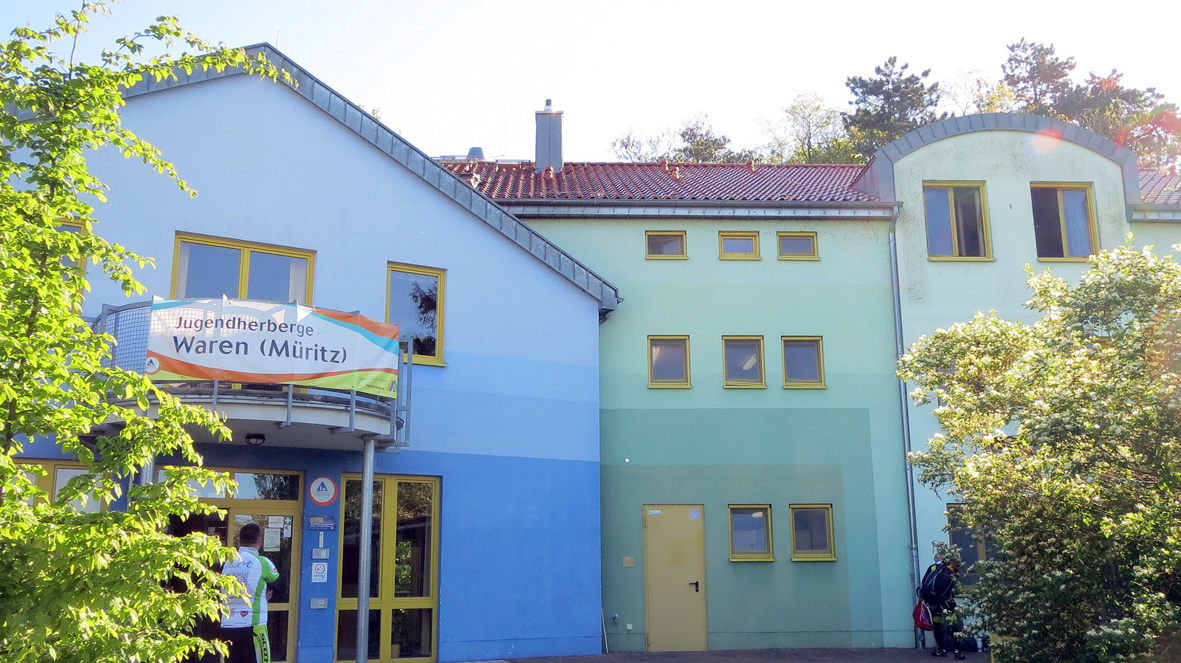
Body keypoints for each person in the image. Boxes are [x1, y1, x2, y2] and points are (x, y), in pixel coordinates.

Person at [221, 523, 280, 663]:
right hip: (253, 625)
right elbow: (280, 586)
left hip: (227, 625)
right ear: (260, 541)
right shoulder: (262, 562)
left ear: (239, 541)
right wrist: (267, 594)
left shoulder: (228, 563)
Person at [919, 554, 964, 660]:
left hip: (934, 602)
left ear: (935, 559)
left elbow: (924, 583)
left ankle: (940, 650)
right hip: (948, 602)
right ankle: (957, 651)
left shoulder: (932, 568)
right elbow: (958, 587)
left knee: (937, 625)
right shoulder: (951, 569)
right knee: (953, 624)